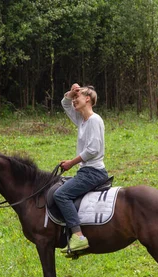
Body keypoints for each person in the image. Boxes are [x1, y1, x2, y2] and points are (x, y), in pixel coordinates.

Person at [54, 83, 108, 254]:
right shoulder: (82, 121)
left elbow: (93, 150)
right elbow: (65, 104)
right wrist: (70, 93)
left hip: (93, 172)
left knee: (61, 194)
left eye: (78, 97)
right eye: (75, 98)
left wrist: (71, 162)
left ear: (88, 99)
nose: (75, 100)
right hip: (86, 171)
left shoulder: (94, 120)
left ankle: (78, 236)